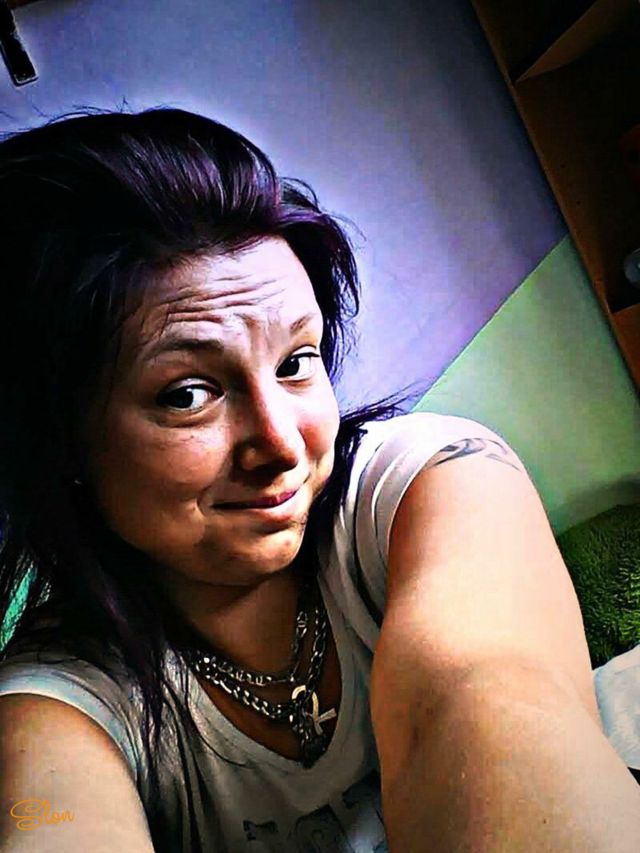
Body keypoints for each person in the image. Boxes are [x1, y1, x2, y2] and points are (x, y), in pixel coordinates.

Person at [0, 108, 638, 853]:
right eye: (188, 394)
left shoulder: (429, 484)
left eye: (296, 362)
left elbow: (485, 692)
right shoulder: (56, 704)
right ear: (61, 440)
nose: (281, 443)